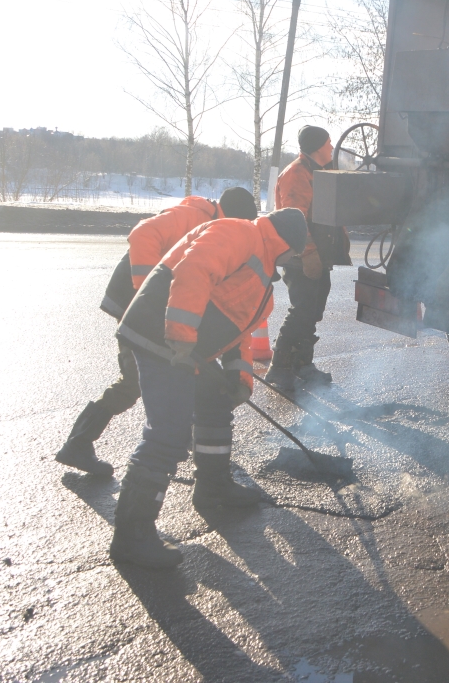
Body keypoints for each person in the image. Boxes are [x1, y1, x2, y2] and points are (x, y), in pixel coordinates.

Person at [111, 208, 308, 568]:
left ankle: (213, 487)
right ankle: (131, 536)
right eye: (296, 251)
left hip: (185, 348)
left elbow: (240, 335)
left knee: (216, 402)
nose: (295, 259)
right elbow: (193, 269)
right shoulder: (239, 233)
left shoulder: (264, 281)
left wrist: (238, 379)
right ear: (286, 242)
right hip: (160, 336)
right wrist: (181, 337)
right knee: (168, 432)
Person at [55, 188, 258, 476]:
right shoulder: (193, 216)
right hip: (137, 305)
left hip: (161, 307)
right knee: (134, 380)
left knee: (182, 369)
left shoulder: (223, 233)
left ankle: (185, 436)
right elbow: (143, 234)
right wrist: (147, 295)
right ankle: (77, 444)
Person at [264, 125, 351, 393]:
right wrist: (308, 253)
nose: (332, 146)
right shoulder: (296, 175)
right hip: (300, 256)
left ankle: (302, 365)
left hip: (317, 254)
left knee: (312, 310)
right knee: (302, 309)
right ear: (316, 147)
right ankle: (279, 367)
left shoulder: (319, 171)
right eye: (328, 142)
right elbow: (296, 219)